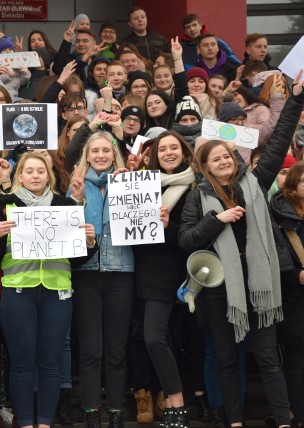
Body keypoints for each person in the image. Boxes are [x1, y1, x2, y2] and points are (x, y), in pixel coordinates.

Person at [178, 69, 304, 428]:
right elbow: (186, 240)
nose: (223, 161)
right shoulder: (197, 197)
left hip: (261, 285)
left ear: (236, 160)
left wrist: (294, 99)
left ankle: (282, 420)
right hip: (220, 291)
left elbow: (278, 144)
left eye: (227, 157)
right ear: (204, 166)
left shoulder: (256, 182)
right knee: (226, 358)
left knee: (268, 358)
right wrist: (217, 221)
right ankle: (234, 420)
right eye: (214, 158)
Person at [0, 152, 96, 428]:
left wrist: (89, 242)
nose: (35, 176)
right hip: (18, 293)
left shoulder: (65, 205)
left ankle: (44, 422)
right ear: (19, 176)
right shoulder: (6, 205)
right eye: (29, 171)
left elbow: (77, 260)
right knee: (22, 362)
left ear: (49, 175)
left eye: (40, 171)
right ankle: (26, 423)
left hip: (57, 294)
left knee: (51, 363)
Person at [133, 131, 195, 428]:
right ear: (155, 154)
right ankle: (171, 402)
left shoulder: (195, 185)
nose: (169, 153)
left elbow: (193, 235)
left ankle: (177, 400)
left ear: (184, 152)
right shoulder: (143, 185)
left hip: (175, 273)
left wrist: (169, 227)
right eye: (163, 149)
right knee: (159, 337)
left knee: (155, 336)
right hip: (142, 273)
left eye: (175, 148)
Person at [71, 132, 133, 428]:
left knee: (117, 350)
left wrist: (131, 187)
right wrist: (75, 198)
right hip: (86, 275)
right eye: (94, 150)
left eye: (105, 150)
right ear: (87, 155)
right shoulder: (77, 186)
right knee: (91, 348)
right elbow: (65, 228)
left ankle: (117, 411)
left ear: (113, 154)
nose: (100, 155)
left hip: (121, 272)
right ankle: (92, 411)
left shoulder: (128, 182)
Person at [270, 163, 304, 428]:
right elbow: (272, 260)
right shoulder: (280, 215)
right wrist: (296, 276)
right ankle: (296, 410)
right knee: (295, 359)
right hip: (294, 298)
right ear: (292, 184)